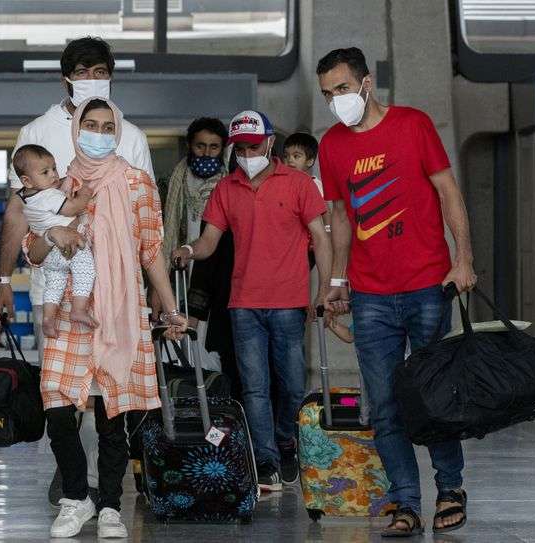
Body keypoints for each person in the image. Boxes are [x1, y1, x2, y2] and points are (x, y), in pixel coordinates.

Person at [317, 47, 476, 536]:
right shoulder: (331, 146)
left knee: (434, 396)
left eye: (342, 89)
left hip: (428, 284)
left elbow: (448, 191)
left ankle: (450, 488)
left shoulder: (413, 124)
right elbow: (341, 218)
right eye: (327, 94)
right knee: (384, 403)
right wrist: (337, 282)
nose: (336, 101)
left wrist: (463, 258)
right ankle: (406, 499)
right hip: (370, 296)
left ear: (366, 83)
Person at [0, 36, 154, 505]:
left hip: (116, 287)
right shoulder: (36, 132)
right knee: (63, 392)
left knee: (107, 390)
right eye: (81, 72)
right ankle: (71, 478)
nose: (90, 80)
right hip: (54, 282)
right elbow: (18, 212)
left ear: (111, 75)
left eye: (98, 71)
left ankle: (99, 493)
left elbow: (143, 219)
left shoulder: (133, 136)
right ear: (65, 76)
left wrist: (151, 290)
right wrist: (4, 282)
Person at [23, 98, 186, 539]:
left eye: (106, 125)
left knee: (114, 410)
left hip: (120, 311)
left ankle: (111, 505)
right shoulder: (56, 183)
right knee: (57, 405)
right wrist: (54, 231)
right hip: (70, 312)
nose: (98, 132)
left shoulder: (137, 184)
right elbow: (33, 254)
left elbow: (150, 254)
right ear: (76, 128)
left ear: (118, 131)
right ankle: (77, 497)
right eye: (89, 124)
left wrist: (170, 309)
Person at [172, 110, 332, 491]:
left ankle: (284, 439)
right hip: (243, 305)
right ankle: (266, 461)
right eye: (240, 148)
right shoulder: (227, 189)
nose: (247, 154)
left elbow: (322, 239)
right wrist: (187, 250)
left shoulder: (298, 184)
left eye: (253, 146)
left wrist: (324, 290)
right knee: (255, 388)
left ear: (271, 143)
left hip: (288, 303)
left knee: (292, 385)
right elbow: (210, 242)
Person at [155, 117, 240, 391]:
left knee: (211, 344)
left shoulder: (232, 186)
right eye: (200, 146)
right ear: (190, 146)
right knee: (179, 342)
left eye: (214, 147)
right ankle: (187, 398)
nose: (206, 153)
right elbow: (162, 238)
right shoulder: (172, 182)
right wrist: (156, 289)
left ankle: (214, 398)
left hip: (217, 277)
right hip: (178, 272)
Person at [12, 144, 97, 334]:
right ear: (27, 180)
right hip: (66, 247)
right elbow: (73, 208)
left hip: (51, 256)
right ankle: (79, 309)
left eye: (54, 169)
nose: (53, 175)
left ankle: (48, 319)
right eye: (45, 172)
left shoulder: (29, 197)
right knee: (86, 269)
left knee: (54, 284)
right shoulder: (49, 196)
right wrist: (85, 192)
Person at [282, 132, 352, 342]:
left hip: (313, 248)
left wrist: (327, 240)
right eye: (286, 156)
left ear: (310, 160)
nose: (290, 161)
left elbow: (327, 216)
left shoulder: (315, 184)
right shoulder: (282, 184)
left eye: (297, 156)